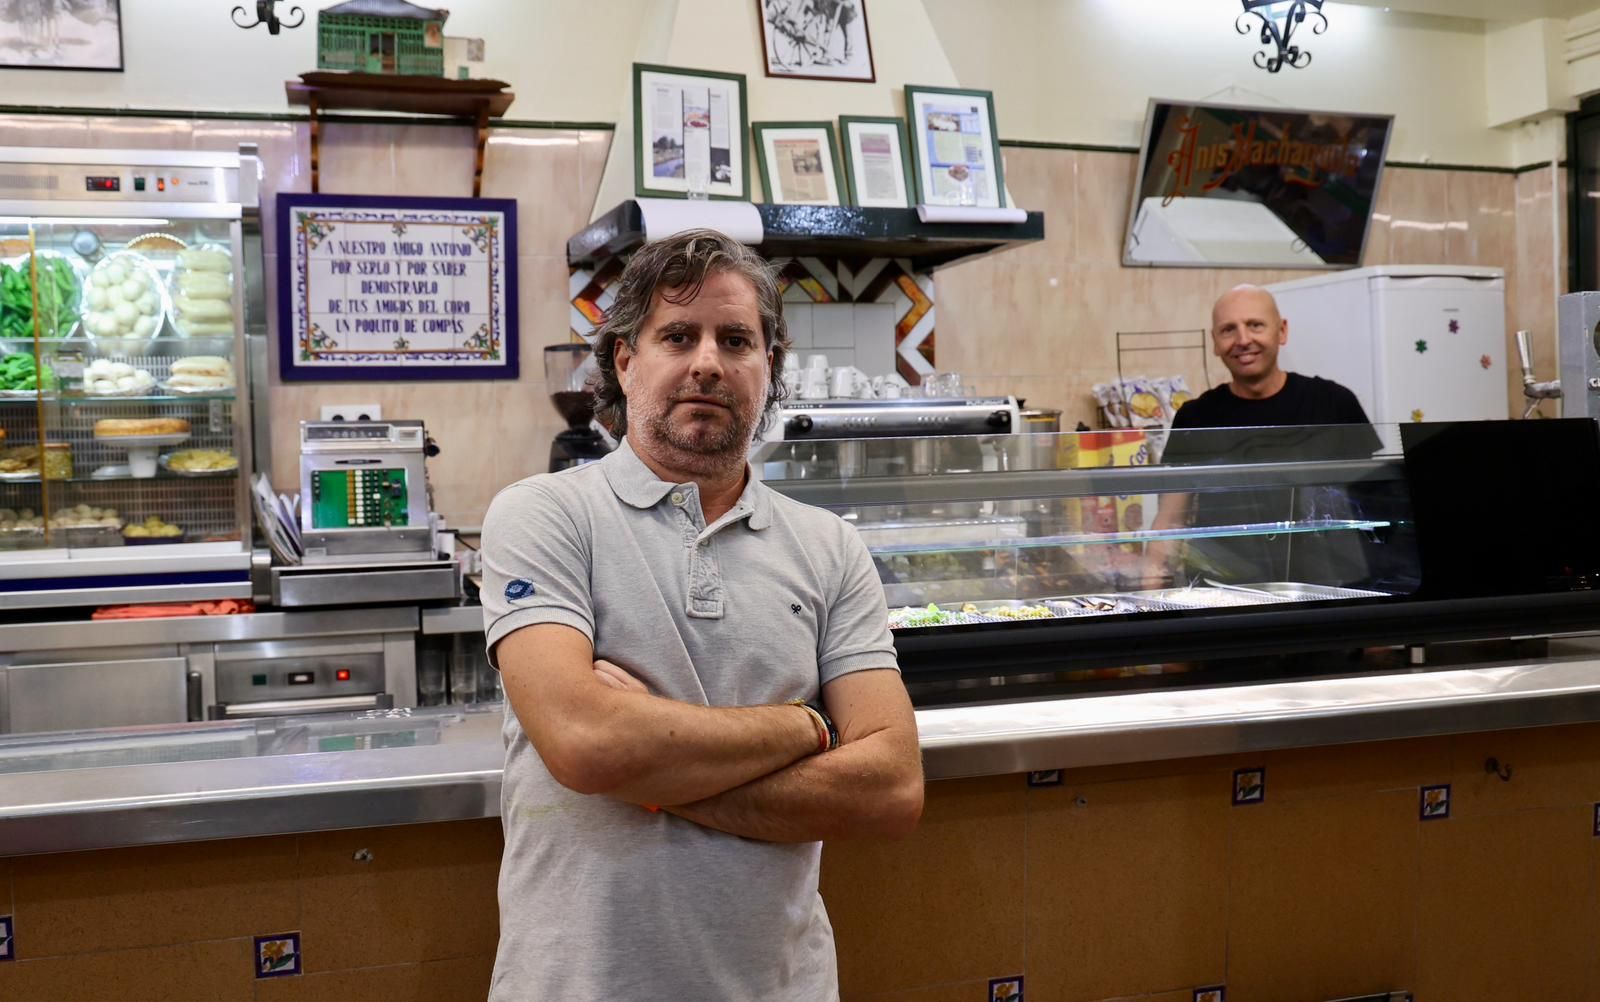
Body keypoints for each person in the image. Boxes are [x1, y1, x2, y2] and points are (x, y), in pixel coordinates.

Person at [480, 229, 924, 1001]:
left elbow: (890, 790)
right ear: (626, 360)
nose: (708, 362)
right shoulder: (543, 516)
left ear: (769, 366)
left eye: (737, 340)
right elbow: (586, 745)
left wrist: (648, 767)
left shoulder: (829, 546)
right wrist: (806, 728)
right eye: (677, 336)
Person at [1146, 284, 1383, 587]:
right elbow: (1170, 520)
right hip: (1225, 594)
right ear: (1215, 343)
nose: (1243, 340)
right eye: (1228, 330)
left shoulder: (1334, 403)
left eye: (1255, 325)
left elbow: (1374, 508)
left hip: (1330, 590)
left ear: (1281, 332)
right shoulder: (1196, 417)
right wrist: (1148, 598)